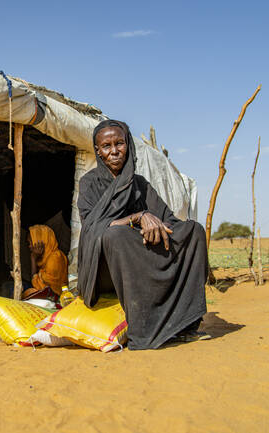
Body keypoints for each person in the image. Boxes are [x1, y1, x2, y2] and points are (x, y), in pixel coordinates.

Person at [76, 119, 209, 350]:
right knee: (115, 236)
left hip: (139, 258)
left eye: (120, 143)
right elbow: (92, 229)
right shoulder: (90, 183)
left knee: (193, 231)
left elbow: (169, 220)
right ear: (98, 151)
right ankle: (144, 330)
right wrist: (138, 218)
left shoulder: (139, 184)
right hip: (104, 269)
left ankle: (184, 325)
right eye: (107, 146)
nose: (114, 151)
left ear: (128, 145)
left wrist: (154, 226)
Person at [21, 224, 69, 300]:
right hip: (46, 294)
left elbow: (42, 287)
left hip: (55, 297)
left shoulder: (55, 257)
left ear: (40, 240)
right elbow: (36, 282)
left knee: (25, 291)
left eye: (31, 242)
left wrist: (33, 259)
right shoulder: (44, 258)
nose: (29, 246)